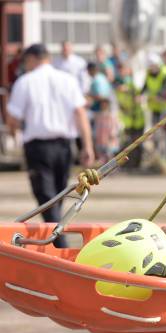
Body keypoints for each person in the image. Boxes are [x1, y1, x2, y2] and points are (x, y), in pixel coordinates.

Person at [6, 44, 94, 247]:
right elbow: (80, 113)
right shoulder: (67, 80)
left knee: (47, 197)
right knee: (57, 195)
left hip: (38, 147)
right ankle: (57, 239)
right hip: (64, 145)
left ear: (32, 59)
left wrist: (15, 131)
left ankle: (59, 243)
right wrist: (87, 146)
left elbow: (13, 118)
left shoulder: (25, 82)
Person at [116, 65, 145, 169]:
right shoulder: (119, 87)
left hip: (137, 120)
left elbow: (139, 97)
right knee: (127, 144)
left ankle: (136, 164)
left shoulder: (133, 86)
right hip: (127, 122)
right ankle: (128, 164)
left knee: (137, 144)